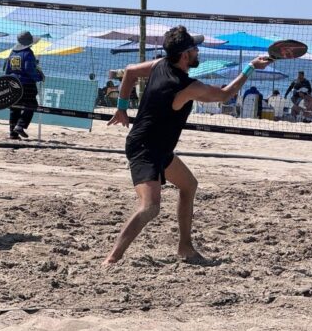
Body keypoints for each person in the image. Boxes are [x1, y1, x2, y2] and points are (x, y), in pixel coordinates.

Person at [102, 25, 271, 267]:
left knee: (189, 185)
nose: (198, 51)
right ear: (184, 55)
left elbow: (129, 72)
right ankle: (112, 259)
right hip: (144, 148)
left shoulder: (160, 64)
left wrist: (121, 107)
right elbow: (225, 95)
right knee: (150, 208)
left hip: (159, 148)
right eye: (195, 48)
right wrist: (250, 67)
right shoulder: (186, 85)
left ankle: (185, 247)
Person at [5, 31, 44, 139]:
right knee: (32, 105)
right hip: (27, 84)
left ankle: (13, 133)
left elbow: (7, 70)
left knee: (14, 107)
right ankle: (20, 125)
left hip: (13, 83)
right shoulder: (28, 53)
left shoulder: (12, 53)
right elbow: (29, 69)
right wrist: (39, 77)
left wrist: (8, 81)